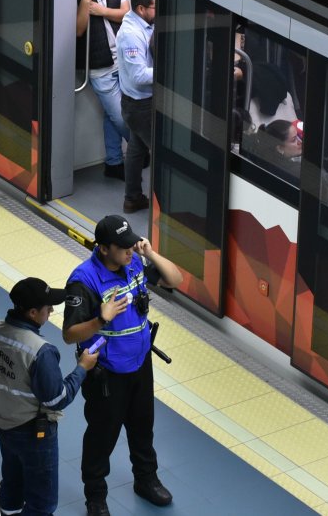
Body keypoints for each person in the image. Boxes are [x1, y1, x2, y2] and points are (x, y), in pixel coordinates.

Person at [63, 215, 184, 516]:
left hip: (140, 365)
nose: (130, 250)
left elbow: (175, 279)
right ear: (104, 248)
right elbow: (69, 335)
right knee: (102, 436)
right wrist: (101, 318)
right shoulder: (84, 280)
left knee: (143, 427)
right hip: (107, 373)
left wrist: (150, 253)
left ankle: (146, 479)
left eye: (132, 244)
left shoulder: (134, 263)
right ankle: (96, 496)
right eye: (123, 246)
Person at [0, 278, 98, 516]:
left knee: (12, 485)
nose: (52, 310)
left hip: (4, 424)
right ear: (33, 312)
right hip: (35, 435)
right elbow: (56, 399)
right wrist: (82, 368)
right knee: (42, 505)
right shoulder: (40, 350)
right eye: (48, 307)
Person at [77, 0, 131, 180]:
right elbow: (78, 30)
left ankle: (114, 163)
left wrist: (101, 11)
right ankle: (145, 149)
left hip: (122, 59)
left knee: (113, 115)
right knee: (121, 117)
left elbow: (126, 13)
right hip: (99, 66)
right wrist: (85, 1)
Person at [116, 0, 157, 214]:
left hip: (139, 104)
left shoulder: (144, 24)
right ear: (141, 9)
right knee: (161, 154)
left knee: (136, 150)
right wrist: (170, 73)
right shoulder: (131, 35)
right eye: (154, 7)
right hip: (140, 105)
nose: (157, 11)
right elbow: (139, 75)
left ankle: (132, 199)